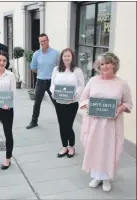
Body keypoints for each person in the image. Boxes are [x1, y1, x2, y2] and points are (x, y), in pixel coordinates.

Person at [79, 52, 133, 192]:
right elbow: (83, 98)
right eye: (101, 64)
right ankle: (96, 176)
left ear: (114, 64)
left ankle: (107, 178)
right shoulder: (93, 81)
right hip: (94, 123)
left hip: (111, 125)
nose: (104, 66)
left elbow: (128, 104)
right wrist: (89, 106)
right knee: (94, 147)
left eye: (107, 63)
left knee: (109, 149)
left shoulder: (122, 84)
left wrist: (119, 109)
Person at [50, 48, 84, 158]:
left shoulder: (77, 71)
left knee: (68, 125)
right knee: (61, 124)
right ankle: (64, 146)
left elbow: (81, 86)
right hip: (59, 102)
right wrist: (54, 93)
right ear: (62, 58)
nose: (66, 58)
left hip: (72, 102)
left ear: (72, 57)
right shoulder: (56, 69)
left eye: (68, 56)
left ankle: (72, 146)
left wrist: (75, 95)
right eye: (64, 56)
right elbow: (52, 85)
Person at [26, 33, 60, 129]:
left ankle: (62, 120)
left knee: (57, 103)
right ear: (39, 42)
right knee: (37, 103)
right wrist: (42, 73)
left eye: (44, 41)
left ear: (48, 40)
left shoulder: (56, 53)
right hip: (40, 81)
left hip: (52, 82)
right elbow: (33, 68)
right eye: (41, 41)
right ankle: (34, 121)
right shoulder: (36, 54)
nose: (43, 43)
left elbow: (59, 67)